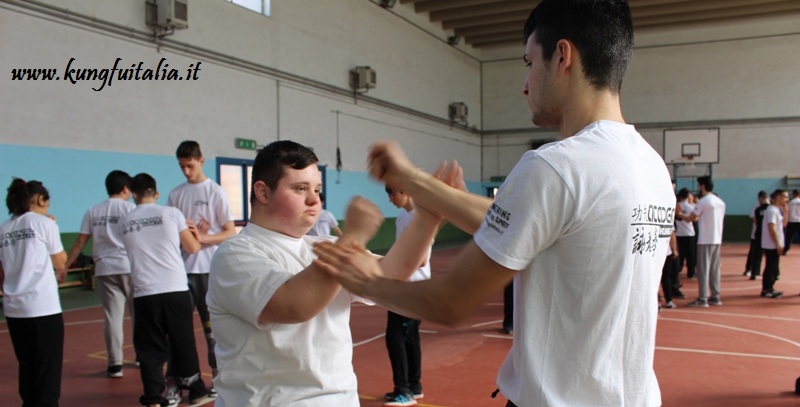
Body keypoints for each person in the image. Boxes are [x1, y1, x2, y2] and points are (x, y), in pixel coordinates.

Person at [313, 1, 674, 405]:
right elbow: (537, 225)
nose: (525, 84)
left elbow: (449, 302)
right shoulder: (650, 166)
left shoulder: (553, 166)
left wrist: (364, 280)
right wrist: (414, 180)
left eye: (529, 62)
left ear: (562, 56)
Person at [206, 140, 440, 407]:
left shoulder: (324, 246)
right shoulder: (236, 254)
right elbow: (294, 305)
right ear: (263, 192)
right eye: (300, 188)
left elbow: (390, 271)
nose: (314, 199)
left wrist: (429, 215)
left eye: (317, 189)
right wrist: (352, 237)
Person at [120, 173, 208, 406]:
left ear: (133, 195)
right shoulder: (171, 213)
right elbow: (193, 247)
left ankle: (153, 397)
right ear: (156, 193)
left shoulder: (124, 222)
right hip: (175, 288)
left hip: (144, 292)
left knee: (149, 349)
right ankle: (196, 389)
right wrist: (196, 235)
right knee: (183, 341)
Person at [167, 140, 236, 396]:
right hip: (181, 273)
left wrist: (201, 238)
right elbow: (171, 232)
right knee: (178, 332)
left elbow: (230, 232)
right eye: (182, 167)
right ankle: (178, 381)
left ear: (201, 161)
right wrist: (186, 237)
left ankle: (219, 377)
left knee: (213, 330)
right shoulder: (175, 194)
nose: (186, 171)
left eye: (190, 165)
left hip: (209, 270)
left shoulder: (214, 192)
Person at [0, 178, 67, 406]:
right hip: (42, 306)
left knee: (27, 364)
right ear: (40, 199)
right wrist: (51, 228)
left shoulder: (5, 228)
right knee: (47, 367)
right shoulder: (44, 224)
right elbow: (61, 262)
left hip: (14, 307)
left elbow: (2, 271)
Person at [65, 170, 136, 378]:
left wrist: (65, 266)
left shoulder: (93, 210)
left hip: (105, 269)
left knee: (112, 317)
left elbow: (80, 241)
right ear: (125, 189)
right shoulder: (130, 209)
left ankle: (115, 364)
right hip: (130, 267)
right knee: (138, 315)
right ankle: (141, 355)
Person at [383, 187, 433, 405]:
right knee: (409, 337)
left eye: (392, 193)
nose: (390, 198)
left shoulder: (421, 217)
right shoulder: (402, 216)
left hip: (413, 288)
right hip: (403, 285)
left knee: (396, 337)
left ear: (404, 190)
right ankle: (414, 385)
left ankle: (404, 390)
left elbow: (421, 259)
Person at [682, 176, 726, 308]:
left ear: (703, 186)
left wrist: (679, 215)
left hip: (705, 239)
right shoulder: (720, 202)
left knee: (703, 269)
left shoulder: (703, 202)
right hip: (717, 238)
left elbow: (691, 218)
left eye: (698, 186)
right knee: (714, 269)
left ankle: (703, 297)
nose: (697, 188)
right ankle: (715, 295)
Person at [760, 189, 788, 298]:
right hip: (771, 245)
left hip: (774, 244)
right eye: (785, 197)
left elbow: (784, 225)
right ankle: (767, 289)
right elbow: (771, 228)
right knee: (771, 268)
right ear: (778, 198)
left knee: (774, 268)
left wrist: (786, 212)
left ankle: (769, 287)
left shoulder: (777, 210)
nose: (787, 199)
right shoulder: (771, 210)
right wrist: (778, 244)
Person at [744, 191, 769, 280]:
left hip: (763, 234)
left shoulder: (769, 208)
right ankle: (749, 270)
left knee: (766, 254)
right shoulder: (756, 208)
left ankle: (759, 272)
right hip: (757, 234)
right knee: (754, 253)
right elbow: (755, 221)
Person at [675, 188, 696, 281]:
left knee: (680, 254)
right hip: (689, 234)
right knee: (690, 254)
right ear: (688, 196)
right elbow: (694, 219)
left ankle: (677, 270)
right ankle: (690, 273)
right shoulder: (691, 207)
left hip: (678, 234)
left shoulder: (676, 206)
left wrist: (680, 215)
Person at [785, 189, 800, 254]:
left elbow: (786, 211)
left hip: (791, 221)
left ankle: (786, 250)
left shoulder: (789, 202)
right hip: (799, 220)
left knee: (789, 237)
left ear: (793, 194)